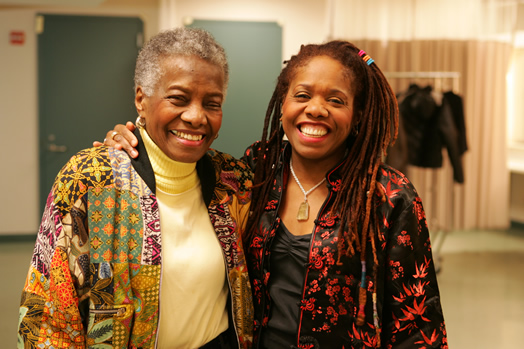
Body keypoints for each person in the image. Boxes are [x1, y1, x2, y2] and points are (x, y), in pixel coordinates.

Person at [102, 41, 448, 348]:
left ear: (357, 115)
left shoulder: (388, 196)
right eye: (302, 95)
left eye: (335, 100)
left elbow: (417, 325)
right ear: (282, 104)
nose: (315, 109)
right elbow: (176, 164)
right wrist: (134, 141)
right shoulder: (254, 172)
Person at [18, 27, 254, 349]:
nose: (197, 116)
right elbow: (48, 314)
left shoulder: (235, 182)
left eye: (212, 103)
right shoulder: (90, 180)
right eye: (178, 99)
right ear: (141, 100)